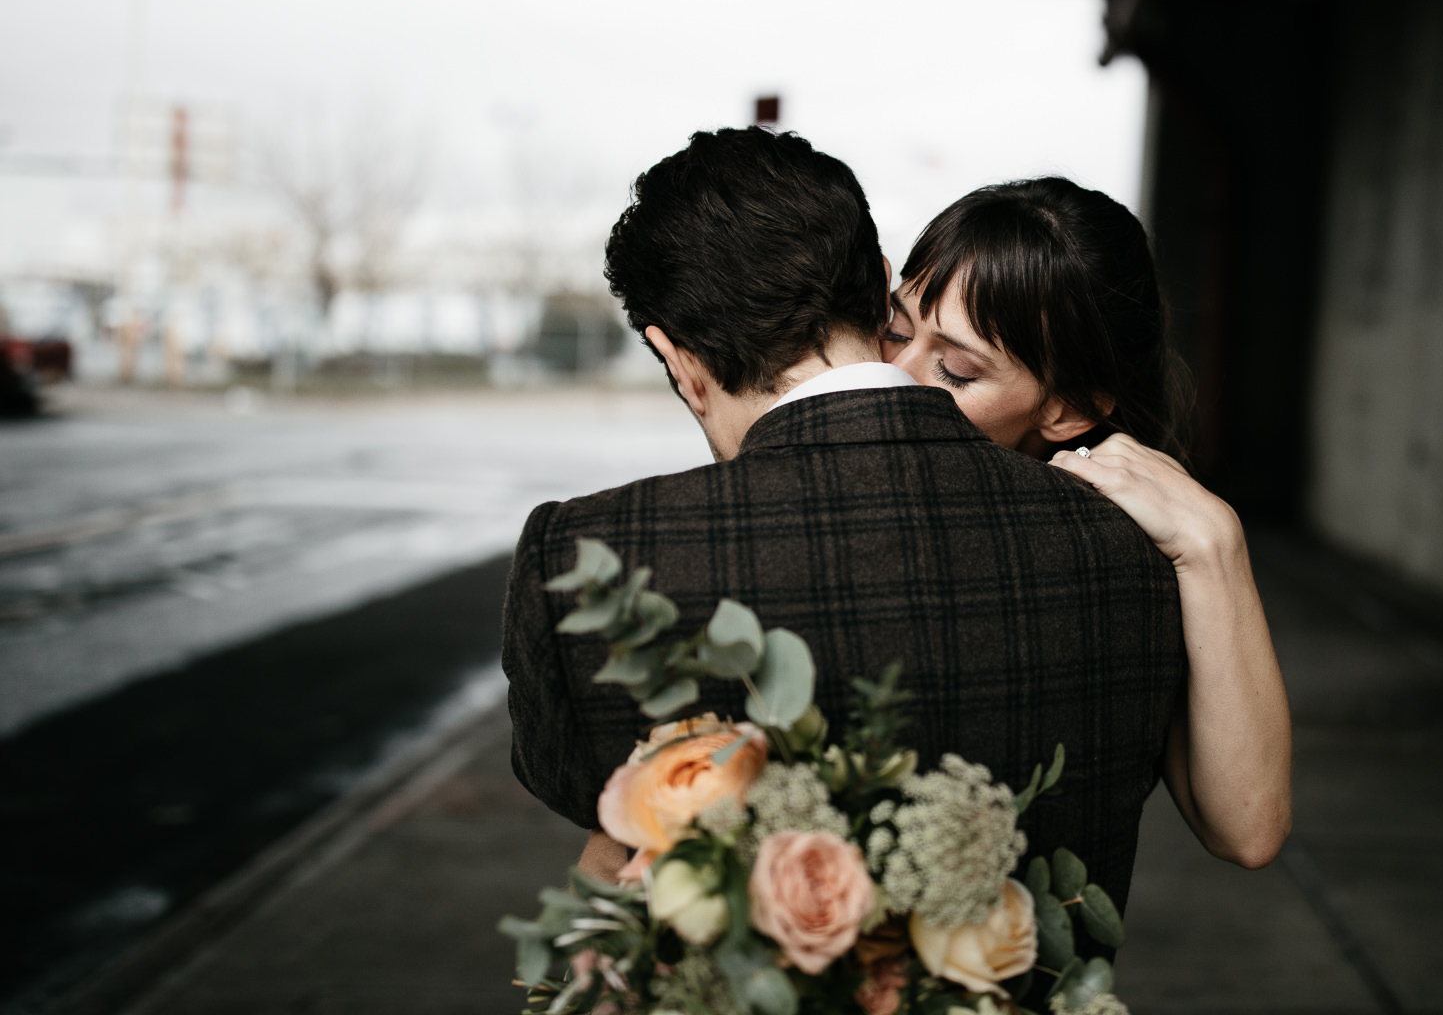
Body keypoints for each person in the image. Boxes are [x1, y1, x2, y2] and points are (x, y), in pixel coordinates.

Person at [501, 129, 1185, 913]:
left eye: (961, 366)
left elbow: (594, 811)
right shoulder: (1132, 549)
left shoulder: (583, 556)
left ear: (679, 359)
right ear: (884, 285)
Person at [881, 177, 1291, 869]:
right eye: (891, 330)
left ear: (1067, 410)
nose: (894, 374)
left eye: (954, 370)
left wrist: (1216, 545)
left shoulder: (1110, 566)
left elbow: (1247, 829)